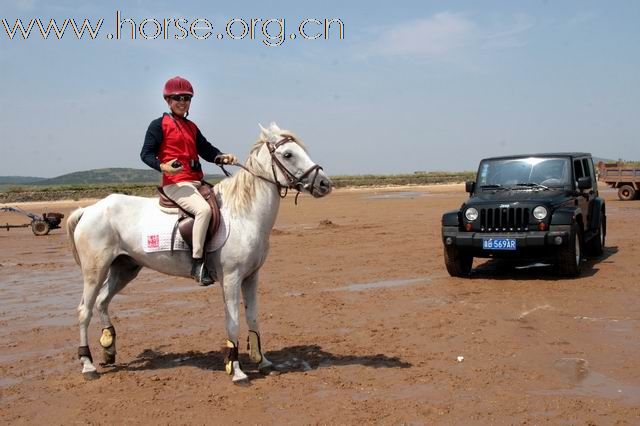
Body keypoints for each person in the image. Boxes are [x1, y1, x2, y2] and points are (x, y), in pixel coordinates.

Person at [140, 76, 237, 286]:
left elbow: (206, 150)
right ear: (168, 100)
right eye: (177, 98)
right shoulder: (158, 125)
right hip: (176, 184)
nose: (182, 101)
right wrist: (163, 166)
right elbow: (145, 154)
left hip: (196, 182)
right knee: (203, 211)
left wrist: (222, 156)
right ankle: (197, 263)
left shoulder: (191, 127)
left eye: (187, 98)